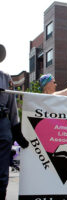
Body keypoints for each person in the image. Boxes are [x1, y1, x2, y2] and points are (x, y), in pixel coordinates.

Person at [0, 70, 19, 199]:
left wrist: (16, 130)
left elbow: (13, 106)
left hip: (2, 124)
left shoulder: (6, 78)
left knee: (2, 174)